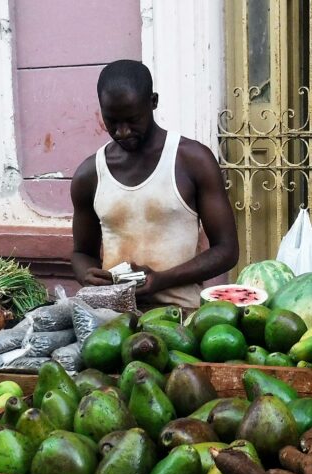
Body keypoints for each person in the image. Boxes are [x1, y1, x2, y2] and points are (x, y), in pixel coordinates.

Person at [71, 60, 239, 310]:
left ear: (153, 102)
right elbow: (81, 253)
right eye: (112, 122)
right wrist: (87, 274)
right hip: (111, 320)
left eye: (132, 120)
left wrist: (162, 280)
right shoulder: (90, 174)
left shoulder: (192, 160)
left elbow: (227, 251)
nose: (123, 132)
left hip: (182, 316)